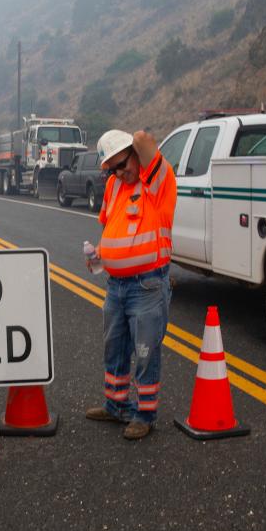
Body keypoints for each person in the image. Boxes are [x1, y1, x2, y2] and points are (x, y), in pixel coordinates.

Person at [84, 129, 177, 440]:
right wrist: (101, 255)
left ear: (134, 154)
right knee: (115, 346)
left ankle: (144, 413)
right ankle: (116, 405)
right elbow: (112, 227)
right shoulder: (114, 186)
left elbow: (143, 139)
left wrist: (130, 146)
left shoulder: (158, 183)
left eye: (122, 165)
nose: (119, 173)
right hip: (116, 285)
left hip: (146, 286)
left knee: (145, 350)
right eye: (111, 169)